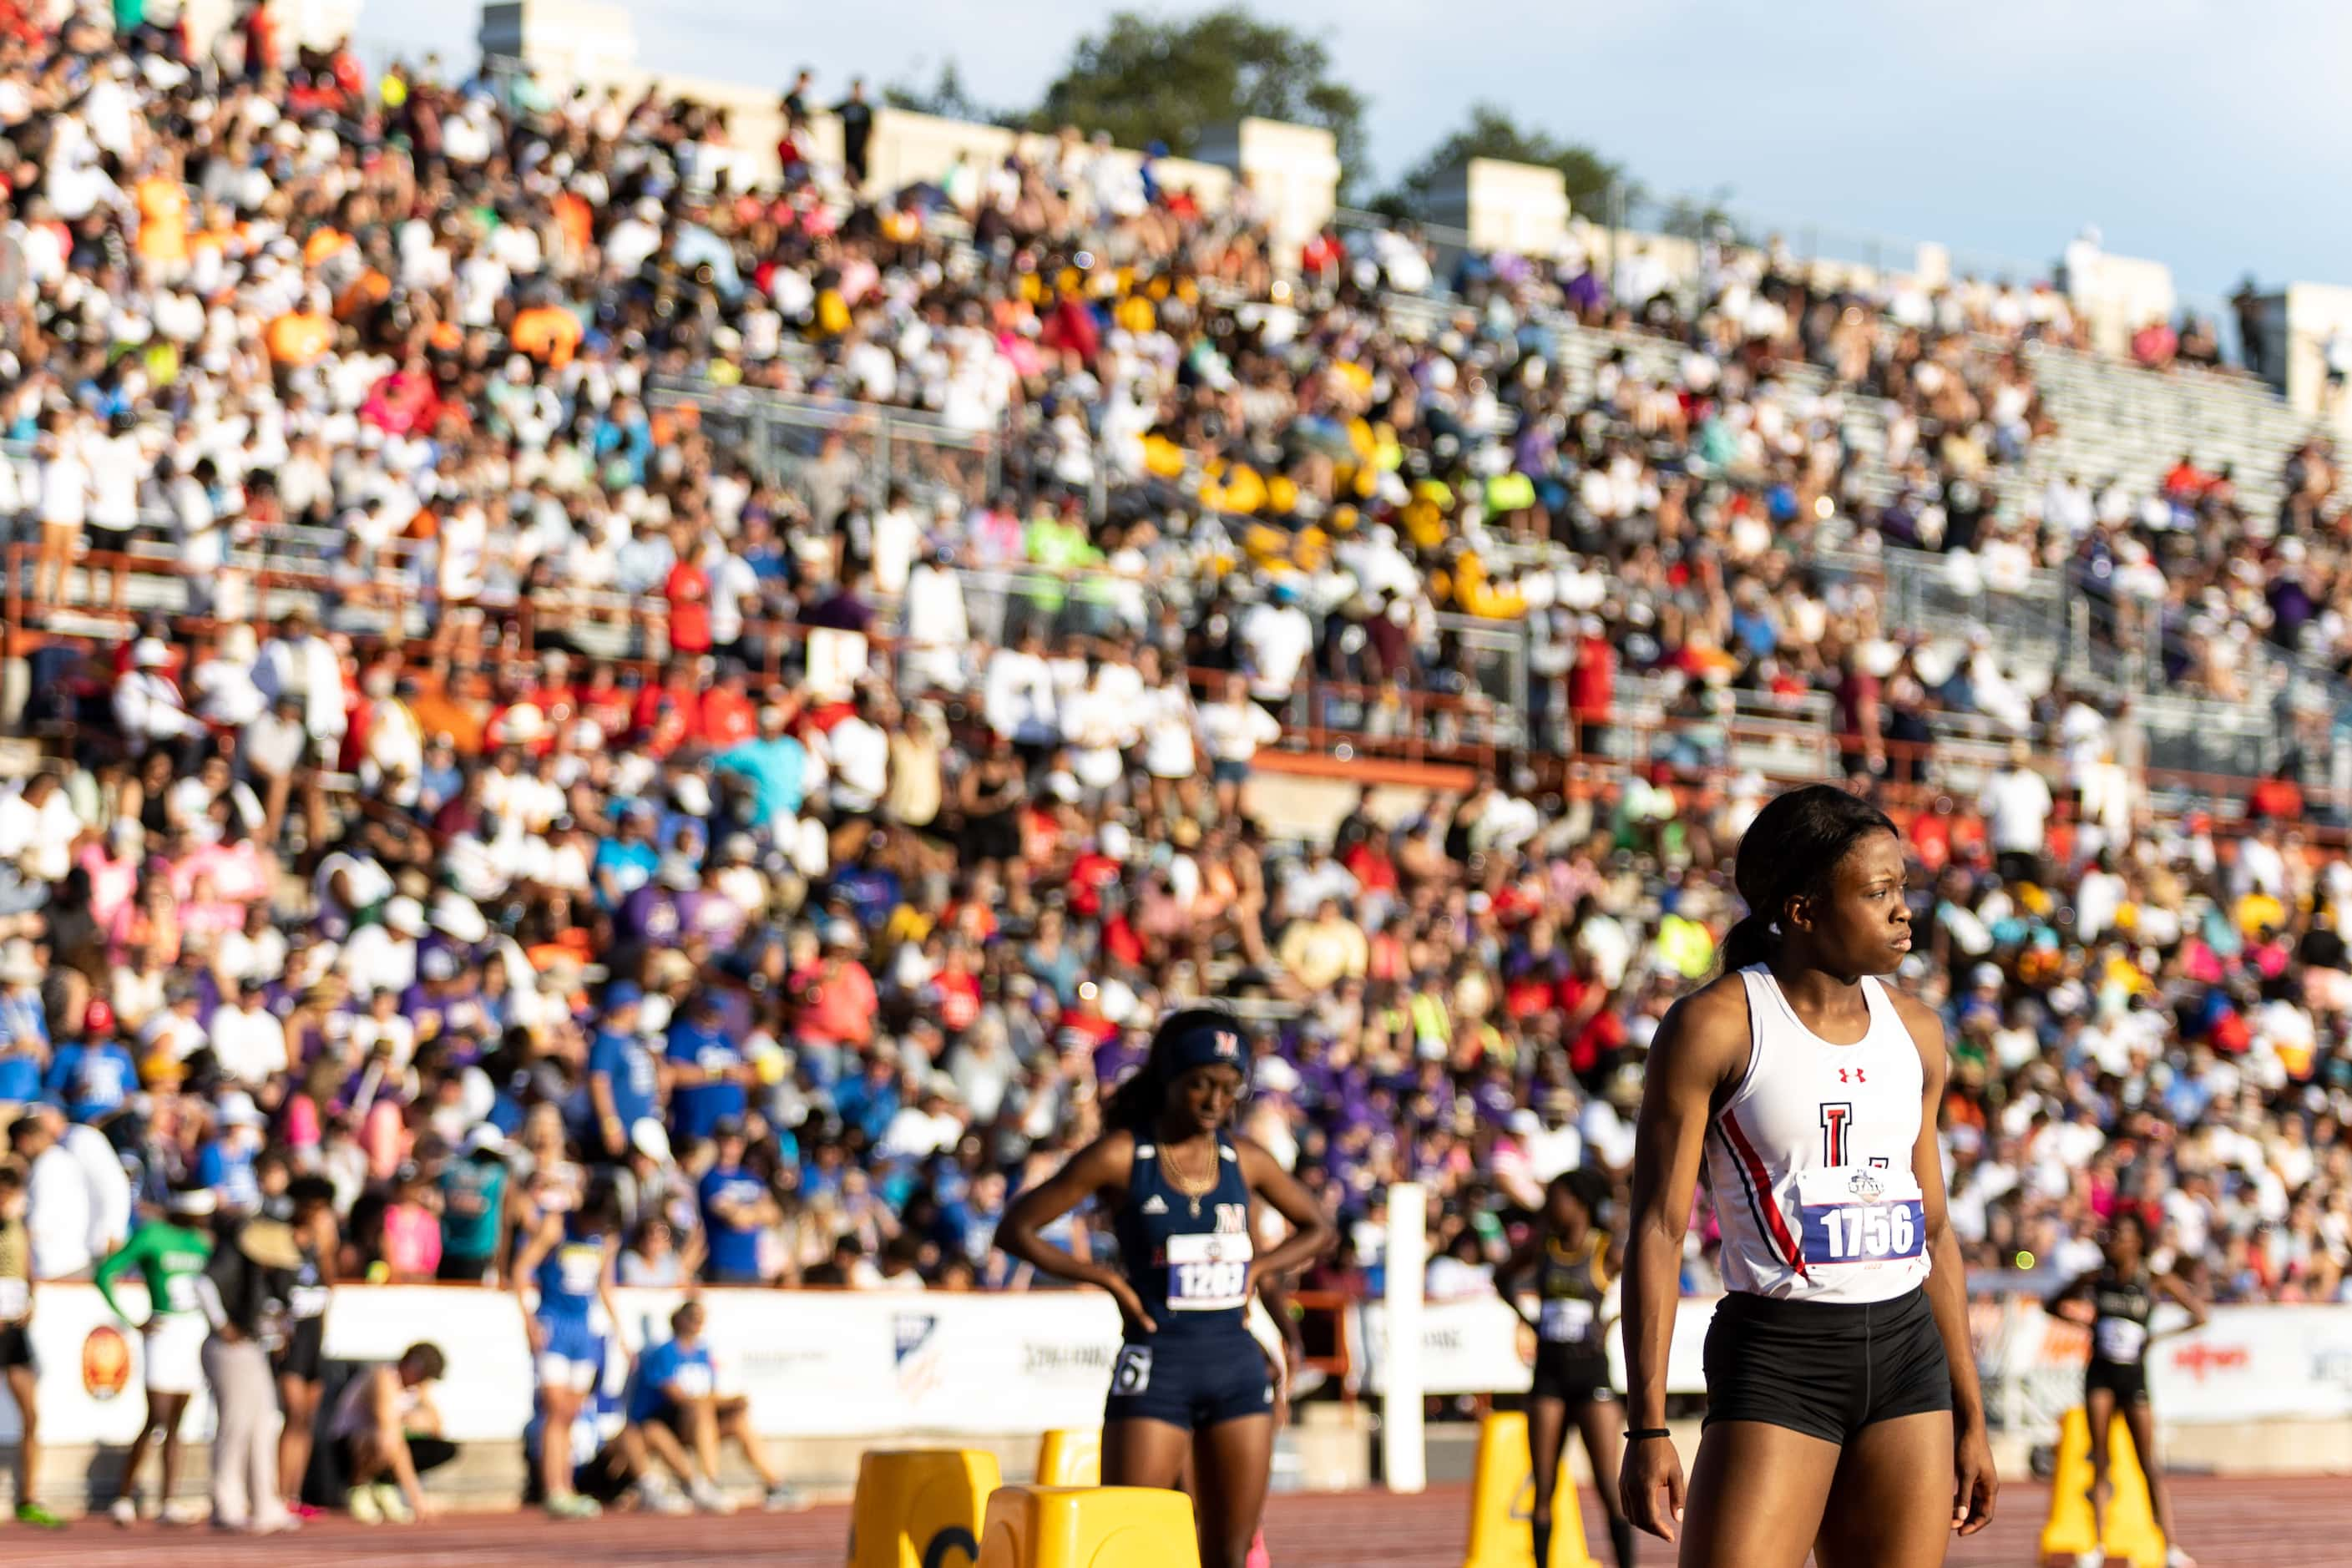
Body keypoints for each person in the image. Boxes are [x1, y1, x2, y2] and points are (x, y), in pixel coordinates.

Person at [1616, 786, 1996, 1565]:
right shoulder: (1714, 1026)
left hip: (1906, 1355)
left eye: (1902, 889)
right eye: (1878, 892)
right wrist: (1648, 1424)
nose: (1903, 912)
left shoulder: (1917, 1032)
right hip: (1779, 1359)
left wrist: (1972, 1415)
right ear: (1800, 911)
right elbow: (1657, 1228)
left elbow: (1935, 1230)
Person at [998, 1007, 1334, 1568]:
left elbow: (1319, 1226)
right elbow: (1016, 1228)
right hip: (1157, 1366)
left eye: (1229, 1089)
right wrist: (1105, 1279)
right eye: (1200, 1084)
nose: (1214, 1102)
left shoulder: (1243, 1158)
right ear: (1168, 1080)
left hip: (1235, 1366)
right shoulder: (1123, 1154)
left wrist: (1257, 1269)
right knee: (1133, 1543)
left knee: (1229, 1553)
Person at [2043, 1211, 2204, 1568]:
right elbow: (2051, 1304)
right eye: (2110, 1233)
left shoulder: (2154, 1280)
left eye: (2121, 1234)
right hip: (2100, 1373)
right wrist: (2084, 1324)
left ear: (2137, 1241)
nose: (2113, 1240)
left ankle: (2171, 1547)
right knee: (2100, 1459)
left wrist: (2156, 1338)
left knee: (2147, 1461)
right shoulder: (2096, 1278)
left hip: (2134, 1376)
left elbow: (2200, 1314)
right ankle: (2098, 1546)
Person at [1498, 1167, 1633, 1568]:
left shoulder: (1605, 1250)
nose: (1550, 1207)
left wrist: (1612, 1322)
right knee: (1543, 1488)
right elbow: (1501, 1276)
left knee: (1609, 1486)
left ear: (1579, 1204)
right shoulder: (1543, 1248)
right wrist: (1527, 1317)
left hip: (1592, 1375)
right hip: (1549, 1376)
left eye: (1556, 1198)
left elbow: (1650, 1281)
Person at [94, 1185, 216, 1525]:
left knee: (178, 1419)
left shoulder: (202, 1243)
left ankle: (168, 1500)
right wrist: (131, 1320)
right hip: (163, 1332)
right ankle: (123, 1495)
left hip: (194, 1331)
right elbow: (106, 1272)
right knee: (157, 1417)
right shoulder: (153, 1236)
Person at [513, 1181, 623, 1518]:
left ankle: (567, 1485)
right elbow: (520, 1270)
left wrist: (620, 1331)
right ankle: (553, 1488)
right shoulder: (557, 1227)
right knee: (555, 1408)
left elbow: (605, 1285)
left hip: (583, 1329)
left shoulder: (604, 1239)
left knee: (572, 1412)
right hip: (554, 1323)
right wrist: (529, 1320)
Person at [194, 1213, 305, 1535]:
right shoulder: (232, 1259)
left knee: (263, 1424)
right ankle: (227, 1503)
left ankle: (265, 1504)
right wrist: (221, 1324)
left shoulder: (257, 1271)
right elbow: (203, 1285)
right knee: (235, 1426)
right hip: (229, 1350)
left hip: (250, 1349)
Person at [326, 1341, 453, 1525]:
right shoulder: (383, 1377)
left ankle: (384, 1485)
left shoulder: (417, 1387)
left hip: (386, 1442)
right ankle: (359, 1486)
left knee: (443, 1448)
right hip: (348, 1446)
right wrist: (417, 1499)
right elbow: (387, 1426)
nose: (425, 1382)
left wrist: (420, 1413)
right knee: (387, 1439)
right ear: (413, 1367)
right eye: (424, 1376)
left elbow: (437, 1428)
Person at [273, 1176, 340, 1519]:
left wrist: (328, 1242)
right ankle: (278, 1493)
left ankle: (294, 1494)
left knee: (308, 1418)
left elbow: (330, 1280)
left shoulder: (322, 1235)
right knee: (293, 1413)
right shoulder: (281, 1235)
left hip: (314, 1332)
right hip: (291, 1333)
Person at [0, 1161, 60, 1529]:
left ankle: (28, 1496)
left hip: (14, 1329)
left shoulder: (19, 1227)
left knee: (31, 1415)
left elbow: (26, 1269)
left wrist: (31, 1300)